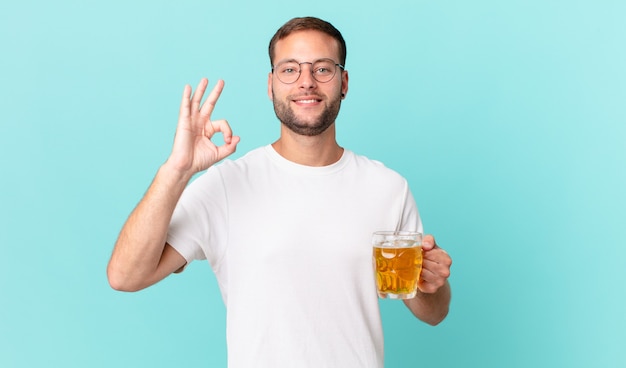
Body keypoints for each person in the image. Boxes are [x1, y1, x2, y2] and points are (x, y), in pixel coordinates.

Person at [107, 16, 452, 368]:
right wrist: (176, 171)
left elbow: (433, 313)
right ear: (270, 84)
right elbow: (125, 276)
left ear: (344, 82)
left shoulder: (387, 187)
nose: (306, 82)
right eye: (290, 70)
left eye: (322, 69)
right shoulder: (227, 186)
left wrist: (433, 283)